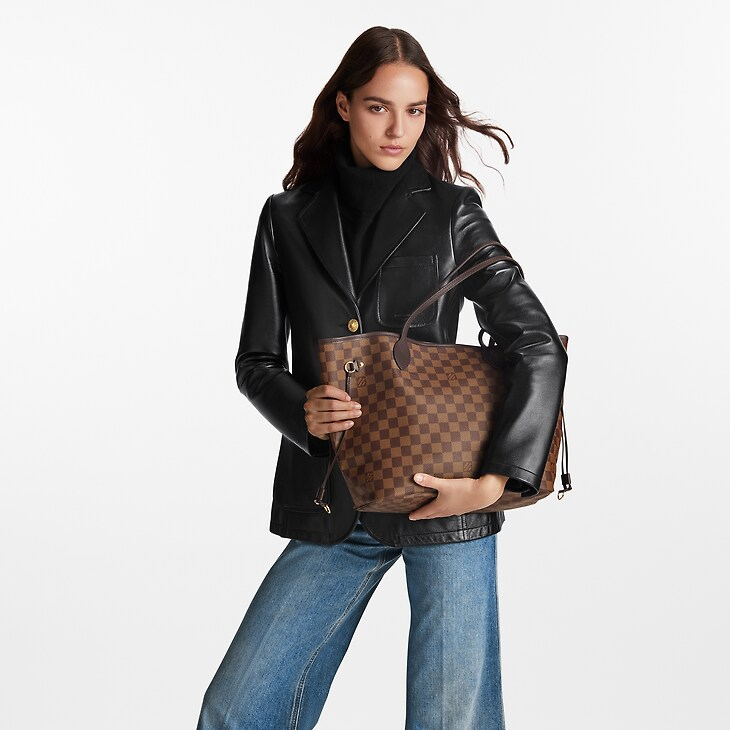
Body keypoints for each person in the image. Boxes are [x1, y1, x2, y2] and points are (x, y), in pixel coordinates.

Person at [196, 26, 567, 730]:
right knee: (237, 709)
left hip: (446, 496)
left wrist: (497, 483)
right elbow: (256, 362)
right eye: (378, 107)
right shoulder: (286, 218)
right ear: (343, 105)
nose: (399, 129)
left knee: (449, 722)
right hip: (336, 494)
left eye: (415, 110)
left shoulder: (453, 214)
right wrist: (301, 409)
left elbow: (539, 345)